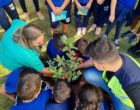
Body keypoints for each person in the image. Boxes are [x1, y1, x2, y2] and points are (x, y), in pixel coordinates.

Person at [77, 38, 140, 110]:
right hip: (112, 87)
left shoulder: (134, 86)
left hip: (124, 101)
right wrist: (77, 67)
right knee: (89, 74)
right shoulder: (111, 54)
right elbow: (94, 61)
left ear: (103, 66)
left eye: (92, 61)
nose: (91, 62)